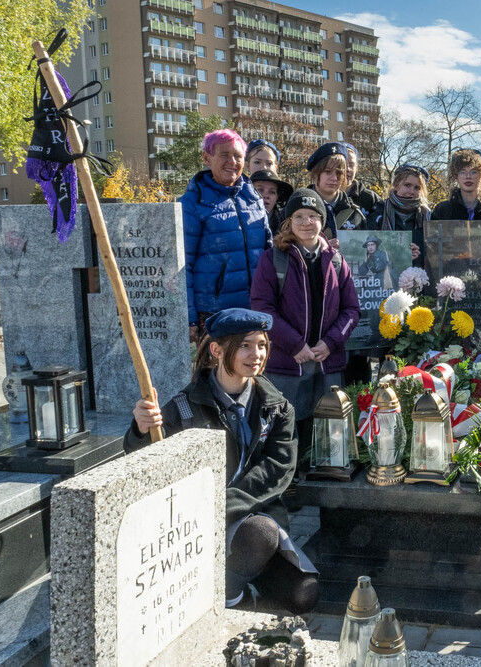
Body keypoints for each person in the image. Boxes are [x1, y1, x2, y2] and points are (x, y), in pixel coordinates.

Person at [125, 308, 319, 615]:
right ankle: (228, 597)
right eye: (245, 345)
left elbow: (277, 471)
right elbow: (145, 464)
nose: (256, 354)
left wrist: (220, 507)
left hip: (246, 521)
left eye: (262, 344)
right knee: (261, 533)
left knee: (304, 595)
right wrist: (141, 429)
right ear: (217, 350)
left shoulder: (277, 408)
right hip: (199, 530)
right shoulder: (183, 408)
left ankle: (237, 579)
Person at [250, 189, 360, 469]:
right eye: (298, 216)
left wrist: (331, 342)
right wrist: (295, 345)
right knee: (286, 429)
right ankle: (289, 484)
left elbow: (351, 310)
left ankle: (326, 482)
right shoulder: (273, 258)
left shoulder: (336, 260)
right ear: (288, 222)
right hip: (288, 363)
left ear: (322, 221)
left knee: (327, 426)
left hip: (326, 362)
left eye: (313, 216)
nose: (306, 222)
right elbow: (263, 309)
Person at [181, 129, 272, 343]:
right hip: (215, 314)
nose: (232, 161)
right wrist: (189, 318)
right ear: (207, 157)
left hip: (255, 307)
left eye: (238, 156)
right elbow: (182, 265)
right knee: (216, 374)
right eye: (224, 155)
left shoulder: (252, 198)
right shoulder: (192, 203)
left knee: (252, 371)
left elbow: (269, 252)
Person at [366, 163, 432, 266]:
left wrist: (419, 253)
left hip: (418, 276)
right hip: (386, 275)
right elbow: (369, 246)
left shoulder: (426, 215)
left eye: (417, 188)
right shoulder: (379, 211)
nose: (411, 191)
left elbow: (433, 252)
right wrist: (399, 253)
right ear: (396, 185)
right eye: (407, 185)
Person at [305, 142, 367, 240]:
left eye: (339, 172)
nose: (334, 178)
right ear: (316, 173)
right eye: (328, 171)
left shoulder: (355, 215)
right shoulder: (297, 209)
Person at [432, 149, 481, 220]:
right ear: (455, 176)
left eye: (473, 172)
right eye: (462, 172)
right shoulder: (442, 210)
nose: (468, 176)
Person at [343, 143, 383, 218]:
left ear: (357, 168)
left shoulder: (371, 199)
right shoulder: (319, 197)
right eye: (343, 165)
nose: (348, 169)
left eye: (351, 165)